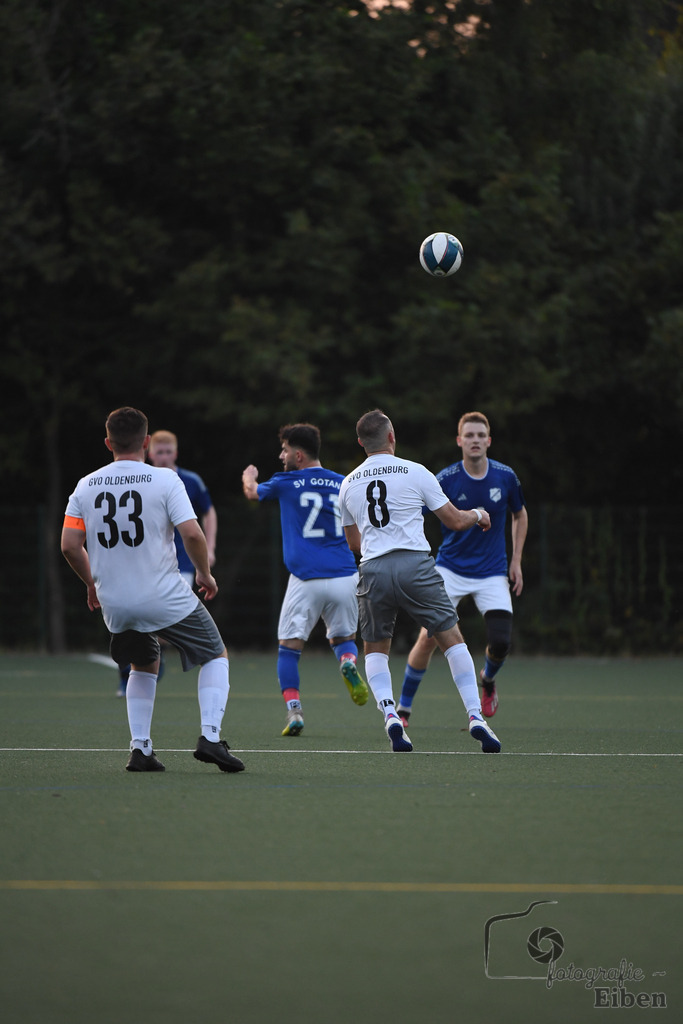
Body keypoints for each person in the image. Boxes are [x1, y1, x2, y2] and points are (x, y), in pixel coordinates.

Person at [61, 406, 245, 774]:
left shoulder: (85, 485)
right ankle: (210, 736)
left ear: (108, 443)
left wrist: (91, 585)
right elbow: (192, 533)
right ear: (146, 442)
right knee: (214, 653)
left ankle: (140, 750)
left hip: (116, 602)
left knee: (142, 664)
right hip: (163, 594)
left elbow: (69, 545)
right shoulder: (164, 480)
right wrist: (205, 575)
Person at [338, 408, 500, 754]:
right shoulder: (416, 471)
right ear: (392, 437)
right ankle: (475, 716)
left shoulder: (348, 483)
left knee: (376, 648)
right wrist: (480, 514)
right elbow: (455, 521)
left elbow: (354, 544)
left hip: (374, 569)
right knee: (451, 639)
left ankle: (390, 715)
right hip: (416, 565)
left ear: (360, 444)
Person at [397, 411, 527, 724]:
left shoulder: (505, 477)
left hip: (493, 572)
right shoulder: (445, 478)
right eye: (469, 435)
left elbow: (519, 515)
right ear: (459, 441)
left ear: (489, 441)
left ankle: (488, 680)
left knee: (500, 642)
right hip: (450, 570)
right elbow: (415, 513)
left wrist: (516, 561)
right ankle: (403, 709)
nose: (475, 440)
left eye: (481, 435)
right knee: (427, 638)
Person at [242, 423, 369, 736]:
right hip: (344, 577)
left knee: (289, 649)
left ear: (298, 455)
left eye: (285, 450)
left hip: (306, 579)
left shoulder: (285, 482)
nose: (280, 455)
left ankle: (294, 712)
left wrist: (249, 476)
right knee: (343, 640)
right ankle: (347, 662)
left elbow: (251, 493)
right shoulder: (343, 482)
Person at [115, 429, 218, 696]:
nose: (163, 457)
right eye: (158, 452)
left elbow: (207, 514)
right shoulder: (143, 479)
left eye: (167, 452)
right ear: (149, 451)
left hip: (180, 563)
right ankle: (137, 666)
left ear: (176, 453)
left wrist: (210, 549)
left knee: (155, 619)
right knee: (140, 622)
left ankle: (148, 660)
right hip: (144, 563)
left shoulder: (188, 481)